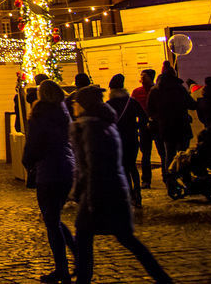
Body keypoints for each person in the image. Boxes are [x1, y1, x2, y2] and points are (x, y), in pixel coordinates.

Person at [70, 85, 172, 284]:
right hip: (110, 191)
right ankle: (162, 278)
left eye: (76, 102)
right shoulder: (103, 124)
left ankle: (162, 278)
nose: (73, 106)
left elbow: (94, 166)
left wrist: (89, 197)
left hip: (102, 194)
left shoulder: (92, 128)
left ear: (84, 105)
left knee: (104, 237)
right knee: (96, 237)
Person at [23, 79, 76, 284]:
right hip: (66, 168)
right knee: (54, 218)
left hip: (48, 172)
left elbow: (34, 144)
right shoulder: (64, 112)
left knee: (51, 221)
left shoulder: (39, 114)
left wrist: (27, 162)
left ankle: (63, 268)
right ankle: (73, 258)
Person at [147, 62, 193, 186]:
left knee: (169, 154)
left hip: (166, 128)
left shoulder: (155, 90)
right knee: (183, 155)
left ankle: (170, 181)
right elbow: (191, 104)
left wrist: (159, 118)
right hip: (182, 126)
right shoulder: (180, 88)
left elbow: (150, 110)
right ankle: (186, 179)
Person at [106, 74, 147, 207]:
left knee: (123, 168)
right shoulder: (132, 102)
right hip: (132, 139)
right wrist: (136, 128)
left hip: (117, 140)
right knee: (132, 166)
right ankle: (138, 195)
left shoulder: (109, 104)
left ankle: (130, 195)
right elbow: (143, 118)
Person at [130, 68, 156, 189]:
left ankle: (167, 177)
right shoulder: (136, 92)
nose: (141, 78)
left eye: (144, 76)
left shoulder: (157, 91)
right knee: (146, 154)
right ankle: (146, 180)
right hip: (143, 125)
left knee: (162, 151)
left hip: (157, 124)